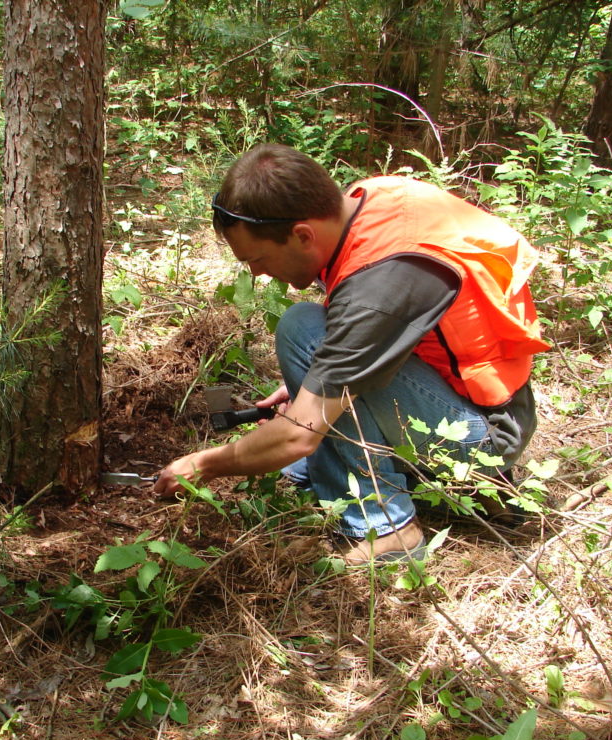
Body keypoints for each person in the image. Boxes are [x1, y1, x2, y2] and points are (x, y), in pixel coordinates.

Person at [151, 143, 548, 564]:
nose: (257, 273)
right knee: (305, 427)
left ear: (303, 233)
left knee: (302, 329)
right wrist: (306, 388)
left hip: (483, 438)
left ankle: (389, 528)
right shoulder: (371, 201)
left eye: (258, 258)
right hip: (468, 403)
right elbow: (371, 336)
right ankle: (383, 485)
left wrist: (204, 464)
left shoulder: (382, 286)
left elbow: (297, 435)